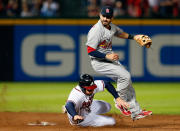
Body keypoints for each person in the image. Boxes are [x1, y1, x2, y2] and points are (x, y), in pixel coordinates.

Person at [85, 6, 152, 120]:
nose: (106, 18)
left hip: (109, 60)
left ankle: (135, 111)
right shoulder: (96, 30)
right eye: (104, 16)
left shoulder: (111, 27)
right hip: (99, 61)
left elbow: (119, 33)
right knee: (125, 76)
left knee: (127, 82)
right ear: (100, 15)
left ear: (112, 17)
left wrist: (134, 37)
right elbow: (90, 51)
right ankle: (120, 102)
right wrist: (107, 56)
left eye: (108, 17)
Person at [65, 74, 129, 127]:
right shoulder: (77, 94)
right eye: (89, 90)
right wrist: (75, 115)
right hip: (80, 118)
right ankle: (75, 113)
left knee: (107, 106)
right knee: (111, 121)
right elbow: (68, 105)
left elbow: (107, 84)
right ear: (83, 88)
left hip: (87, 107)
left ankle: (91, 114)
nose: (92, 90)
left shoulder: (92, 85)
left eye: (93, 88)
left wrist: (118, 98)